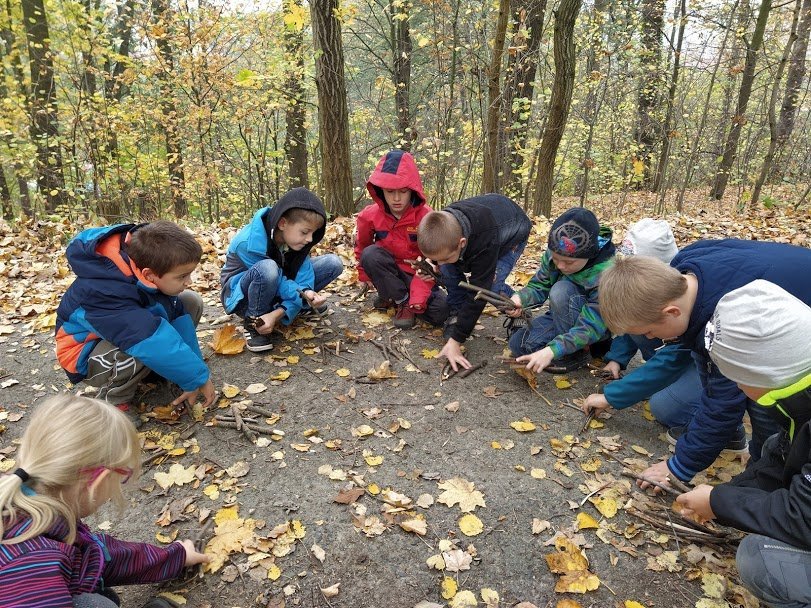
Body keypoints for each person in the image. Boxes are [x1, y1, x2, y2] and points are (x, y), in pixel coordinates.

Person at [598, 239, 811, 489]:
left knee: (767, 408)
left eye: (649, 332)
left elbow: (723, 402)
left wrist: (679, 467)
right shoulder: (683, 272)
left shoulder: (728, 328)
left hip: (795, 340)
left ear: (672, 312)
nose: (650, 338)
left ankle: (770, 481)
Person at [0, 395, 210, 608]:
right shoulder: (33, 567)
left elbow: (96, 556)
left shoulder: (32, 504)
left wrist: (174, 557)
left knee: (100, 593)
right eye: (122, 478)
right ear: (98, 481)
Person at [677, 280, 811, 608]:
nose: (736, 385)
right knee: (775, 445)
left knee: (762, 560)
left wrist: (720, 502)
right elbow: (781, 460)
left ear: (766, 373)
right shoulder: (797, 395)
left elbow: (804, 518)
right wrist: (725, 497)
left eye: (739, 377)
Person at [581, 220, 738, 447]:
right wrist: (616, 358)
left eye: (650, 331)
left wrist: (612, 396)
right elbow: (633, 324)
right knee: (641, 324)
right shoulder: (672, 289)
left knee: (665, 407)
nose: (649, 337)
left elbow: (673, 357)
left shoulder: (695, 303)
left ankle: (727, 429)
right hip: (686, 351)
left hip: (714, 360)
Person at [56, 221, 215, 412]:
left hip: (122, 337)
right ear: (149, 275)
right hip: (84, 356)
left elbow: (178, 322)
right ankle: (114, 402)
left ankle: (161, 371)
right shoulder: (104, 291)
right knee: (143, 343)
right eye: (182, 276)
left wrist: (195, 373)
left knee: (190, 301)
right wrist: (196, 378)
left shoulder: (146, 267)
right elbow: (150, 340)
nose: (189, 281)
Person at [416, 194, 531, 371]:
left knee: (492, 286)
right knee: (447, 268)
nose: (440, 263)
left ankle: (520, 312)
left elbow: (479, 291)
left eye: (443, 258)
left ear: (462, 243)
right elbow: (441, 258)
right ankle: (457, 313)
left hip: (512, 233)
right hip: (484, 229)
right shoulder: (444, 228)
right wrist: (432, 266)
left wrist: (457, 339)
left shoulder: (485, 238)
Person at [220, 187, 344, 352]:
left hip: (280, 287)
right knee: (268, 269)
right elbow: (277, 281)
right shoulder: (247, 242)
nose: (310, 239)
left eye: (313, 233)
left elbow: (303, 277)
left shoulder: (296, 240)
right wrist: (302, 295)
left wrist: (305, 293)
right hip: (244, 297)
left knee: (333, 263)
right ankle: (254, 322)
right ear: (283, 223)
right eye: (305, 232)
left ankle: (294, 308)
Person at [507, 207, 614, 374]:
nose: (561, 266)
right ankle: (564, 347)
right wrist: (521, 299)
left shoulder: (606, 274)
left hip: (593, 328)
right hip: (562, 317)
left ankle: (578, 353)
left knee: (560, 290)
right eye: (556, 259)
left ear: (589, 255)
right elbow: (540, 285)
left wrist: (553, 350)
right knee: (517, 344)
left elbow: (593, 325)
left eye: (569, 262)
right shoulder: (555, 252)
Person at [355, 149, 447, 329]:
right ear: (380, 190)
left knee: (441, 312)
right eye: (390, 191)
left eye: (403, 191)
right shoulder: (370, 215)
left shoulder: (427, 216)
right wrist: (364, 274)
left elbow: (437, 257)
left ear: (413, 191)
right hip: (387, 270)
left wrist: (431, 279)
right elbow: (362, 246)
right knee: (370, 254)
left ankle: (392, 297)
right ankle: (401, 300)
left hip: (417, 274)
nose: (396, 198)